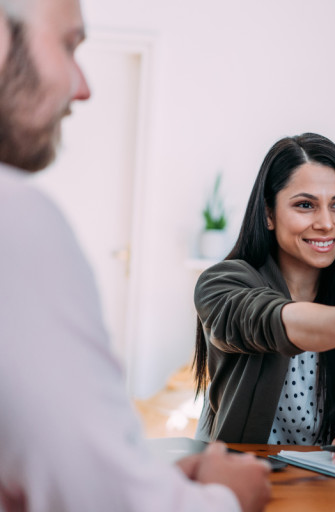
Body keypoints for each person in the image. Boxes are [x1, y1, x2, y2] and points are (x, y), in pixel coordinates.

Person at [0, 0, 271, 510]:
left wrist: (153, 477)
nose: (83, 87)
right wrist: (224, 498)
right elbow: (96, 497)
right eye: (68, 44)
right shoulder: (16, 217)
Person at [191, 133, 335, 463]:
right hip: (242, 480)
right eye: (305, 205)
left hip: (333, 486)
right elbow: (270, 320)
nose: (325, 223)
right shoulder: (223, 282)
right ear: (268, 214)